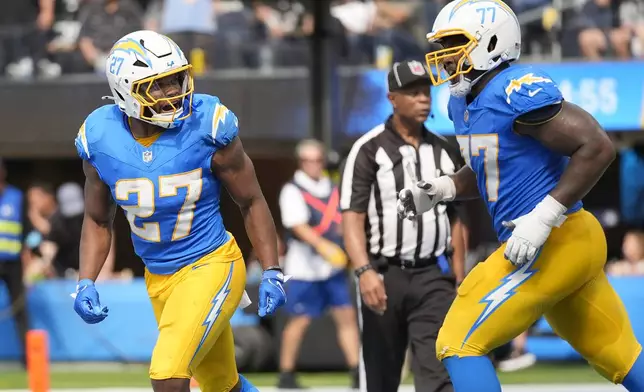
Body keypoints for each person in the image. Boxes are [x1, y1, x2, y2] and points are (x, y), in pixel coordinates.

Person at [397, 1, 644, 391]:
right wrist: (442, 188)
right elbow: (489, 165)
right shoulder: (461, 101)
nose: (445, 56)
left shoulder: (515, 89)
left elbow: (596, 146)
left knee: (458, 342)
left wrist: (543, 216)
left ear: (491, 41)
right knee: (621, 354)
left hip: (555, 238)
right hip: (556, 242)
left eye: (455, 43)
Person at [71, 30, 288, 392]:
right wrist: (85, 280)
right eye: (158, 85)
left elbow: (250, 200)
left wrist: (272, 270)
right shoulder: (99, 137)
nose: (173, 91)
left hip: (212, 264)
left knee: (168, 375)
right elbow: (97, 218)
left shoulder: (208, 124)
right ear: (126, 91)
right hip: (159, 277)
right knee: (222, 384)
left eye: (175, 80)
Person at [341, 59, 465, 392]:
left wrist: (458, 275)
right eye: (413, 93)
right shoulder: (368, 150)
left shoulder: (444, 151)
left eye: (426, 92)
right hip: (384, 273)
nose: (423, 99)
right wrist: (364, 271)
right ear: (393, 98)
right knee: (381, 378)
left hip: (433, 277)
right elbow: (351, 217)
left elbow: (455, 217)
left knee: (439, 377)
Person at [277, 139, 360, 389]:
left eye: (317, 159)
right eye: (308, 160)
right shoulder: (292, 189)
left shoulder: (332, 188)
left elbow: (344, 220)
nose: (313, 165)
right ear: (301, 162)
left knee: (346, 315)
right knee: (299, 320)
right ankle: (286, 373)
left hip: (332, 267)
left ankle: (357, 371)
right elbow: (298, 226)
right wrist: (324, 247)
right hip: (304, 266)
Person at [0, 159, 28, 367]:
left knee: (20, 310)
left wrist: (38, 251)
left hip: (13, 263)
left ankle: (29, 359)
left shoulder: (16, 197)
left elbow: (27, 229)